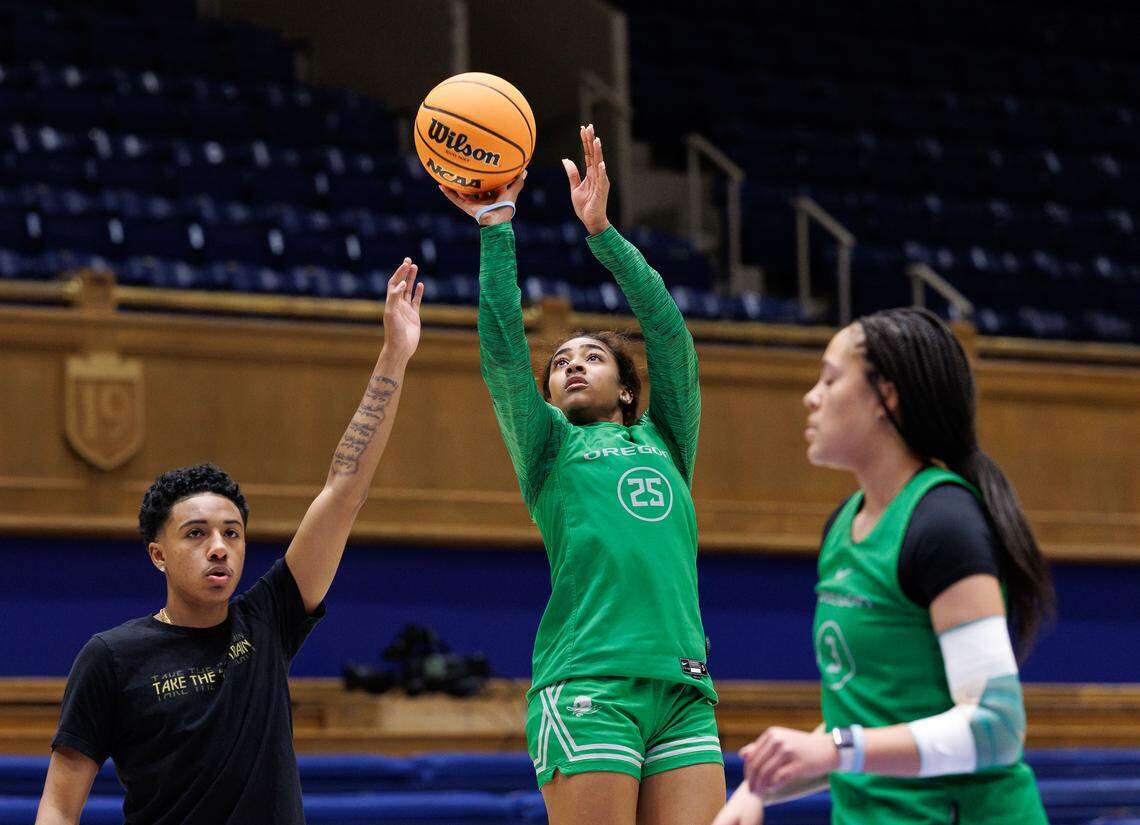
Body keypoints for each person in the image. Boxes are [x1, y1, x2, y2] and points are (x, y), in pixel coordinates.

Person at [36, 260, 426, 825]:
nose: (219, 547)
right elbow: (57, 803)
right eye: (196, 534)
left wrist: (394, 355)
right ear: (158, 554)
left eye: (232, 533)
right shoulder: (111, 658)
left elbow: (344, 492)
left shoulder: (267, 619)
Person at [438, 124, 725, 825]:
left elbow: (669, 333)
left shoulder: (667, 438)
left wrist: (602, 234)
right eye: (561, 360)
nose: (570, 363)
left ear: (628, 390)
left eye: (591, 356)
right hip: (588, 681)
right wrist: (496, 226)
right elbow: (506, 352)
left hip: (685, 687)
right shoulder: (549, 448)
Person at [714, 308, 1054, 824]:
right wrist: (760, 788)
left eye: (830, 379)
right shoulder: (842, 527)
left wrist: (835, 748)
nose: (812, 396)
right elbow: (869, 721)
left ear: (885, 397)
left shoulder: (943, 523)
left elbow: (997, 728)